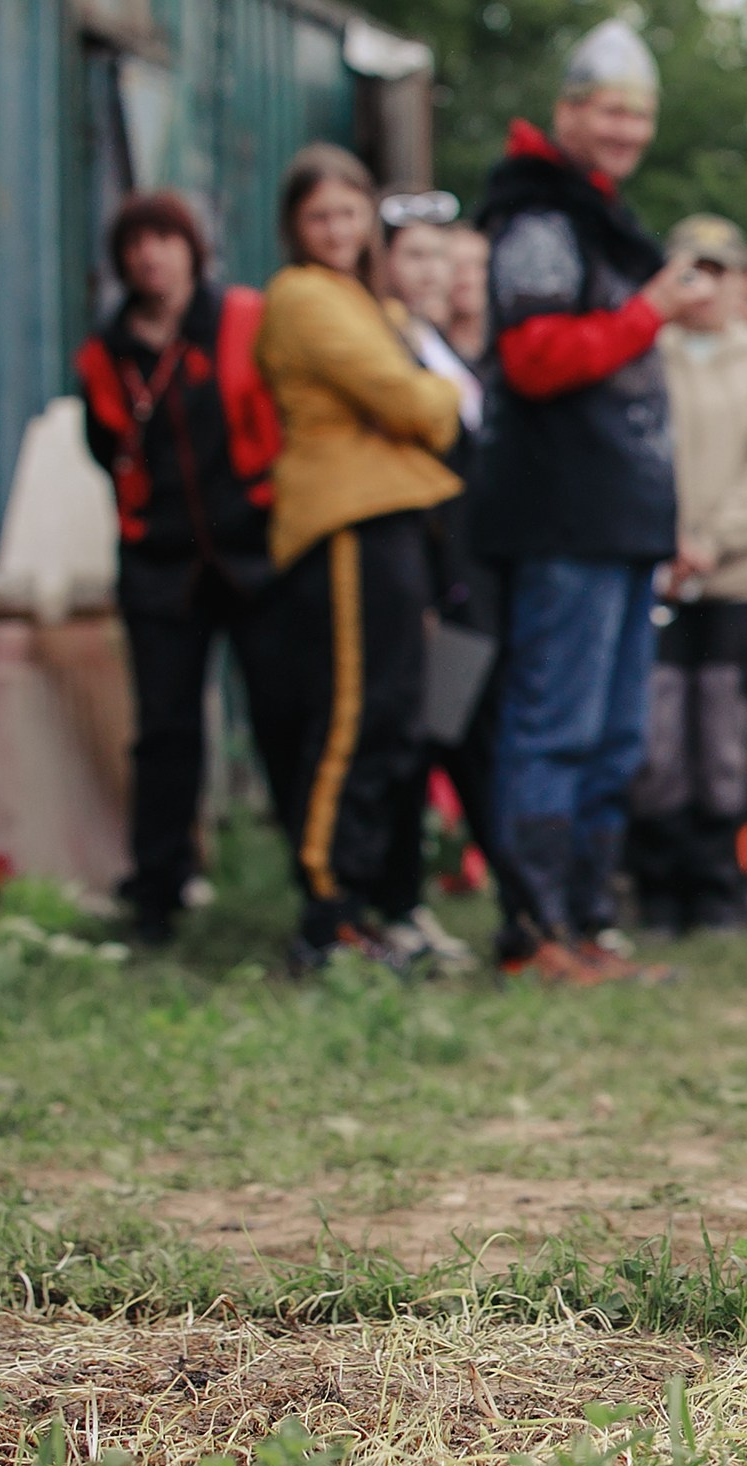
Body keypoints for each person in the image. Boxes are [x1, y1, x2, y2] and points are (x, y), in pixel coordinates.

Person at [473, 19, 717, 982]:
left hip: (618, 523)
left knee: (615, 733)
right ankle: (531, 930)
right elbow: (533, 360)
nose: (625, 130)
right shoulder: (537, 217)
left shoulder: (596, 214)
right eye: (610, 110)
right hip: (559, 517)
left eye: (639, 114)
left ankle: (582, 922)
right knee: (557, 725)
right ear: (568, 111)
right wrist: (649, 312)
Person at [256, 144, 462, 971]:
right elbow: (410, 396)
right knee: (352, 713)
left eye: (349, 213)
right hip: (344, 519)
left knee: (395, 715)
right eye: (320, 217)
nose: (337, 230)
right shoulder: (304, 296)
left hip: (391, 515)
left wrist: (422, 398)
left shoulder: (359, 298)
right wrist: (434, 397)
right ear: (295, 227)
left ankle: (369, 900)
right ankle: (327, 901)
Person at [75, 191, 299, 947]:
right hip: (160, 564)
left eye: (164, 240)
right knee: (166, 732)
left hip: (250, 553)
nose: (151, 255)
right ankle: (156, 894)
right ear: (123, 260)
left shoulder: (239, 319)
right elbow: (105, 450)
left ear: (191, 248)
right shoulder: (106, 352)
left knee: (283, 714)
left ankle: (318, 877)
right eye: (137, 243)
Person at [628, 215, 747, 934]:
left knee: (724, 737)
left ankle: (717, 885)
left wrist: (713, 539)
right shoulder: (645, 353)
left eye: (718, 268)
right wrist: (662, 541)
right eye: (688, 267)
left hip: (739, 580)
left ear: (741, 281)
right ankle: (658, 886)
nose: (703, 282)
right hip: (657, 575)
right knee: (660, 737)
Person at [372, 198, 499, 973]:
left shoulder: (442, 349)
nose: (434, 273)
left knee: (449, 732)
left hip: (461, 582)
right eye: (415, 256)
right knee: (416, 740)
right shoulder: (392, 350)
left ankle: (414, 899)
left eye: (441, 258)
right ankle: (393, 906)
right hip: (418, 581)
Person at [444, 225, 490, 361]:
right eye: (455, 266)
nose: (468, 278)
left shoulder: (508, 348)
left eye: (479, 265)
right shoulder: (424, 346)